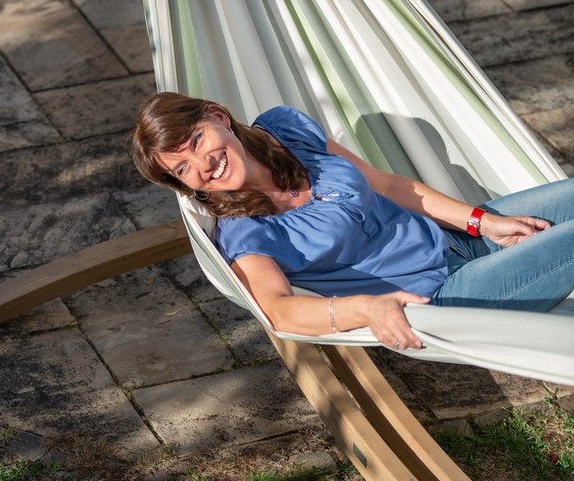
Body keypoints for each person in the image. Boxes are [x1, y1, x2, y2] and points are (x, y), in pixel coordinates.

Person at [131, 92, 574, 351]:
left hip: (458, 239)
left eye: (197, 140)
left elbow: (386, 184)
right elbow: (278, 311)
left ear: (219, 117)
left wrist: (481, 221)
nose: (203, 164)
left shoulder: (284, 130)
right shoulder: (245, 232)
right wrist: (366, 308)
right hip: (441, 300)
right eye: (183, 168)